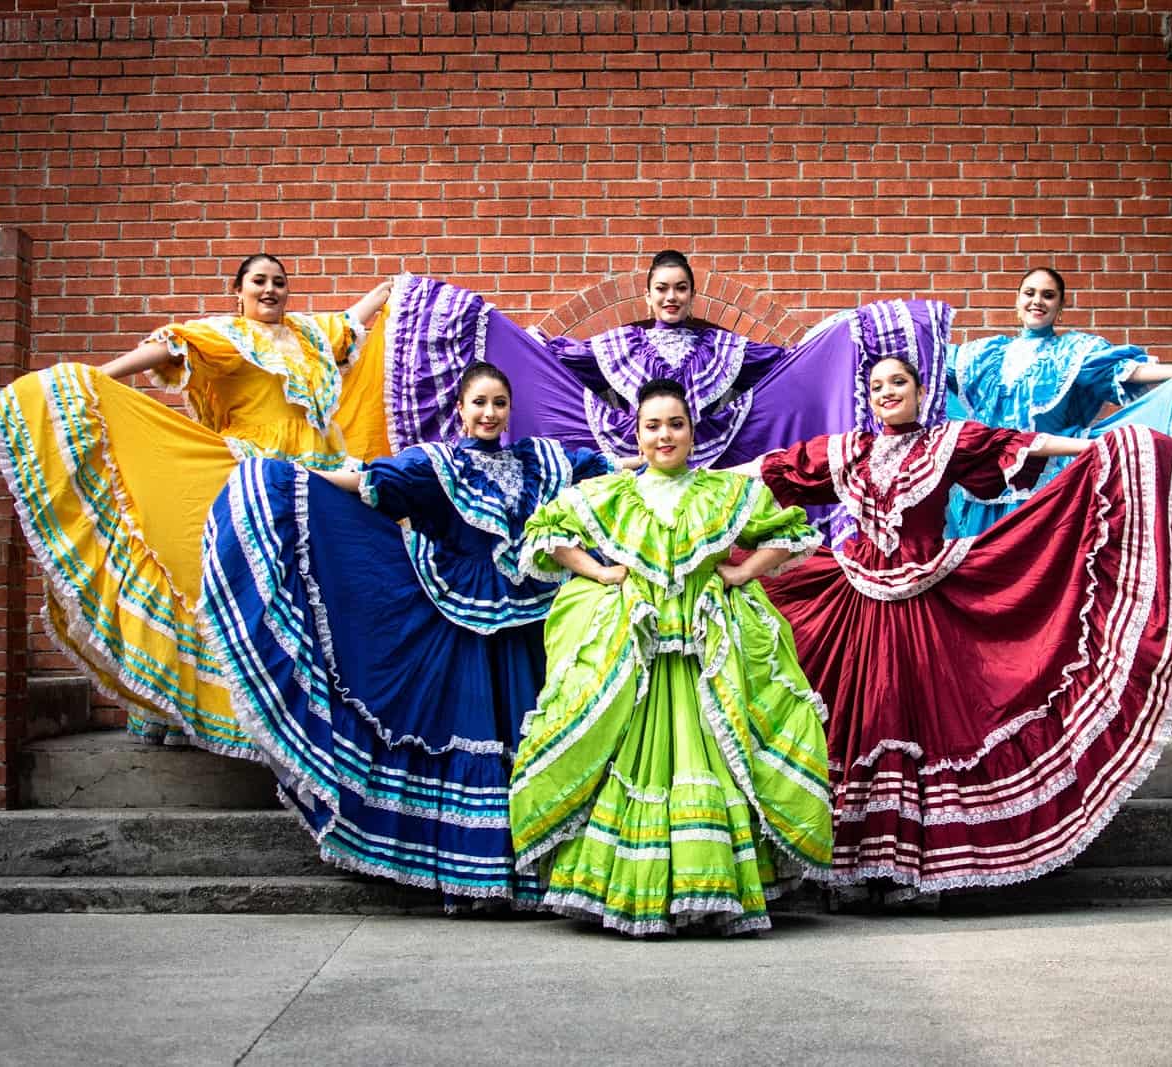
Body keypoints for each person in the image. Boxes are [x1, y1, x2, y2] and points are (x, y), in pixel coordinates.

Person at [753, 346, 1172, 900]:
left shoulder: (948, 440)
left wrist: (1097, 448)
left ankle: (915, 872)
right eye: (877, 388)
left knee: (924, 726)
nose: (887, 393)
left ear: (921, 393)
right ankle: (850, 866)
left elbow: (1024, 445)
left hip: (928, 603)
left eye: (898, 383)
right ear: (867, 400)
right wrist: (679, 469)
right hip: (857, 604)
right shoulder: (846, 451)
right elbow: (768, 469)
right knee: (858, 722)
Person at [201, 363, 619, 906]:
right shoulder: (436, 464)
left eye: (498, 403)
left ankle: (541, 863)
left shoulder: (542, 460)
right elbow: (372, 483)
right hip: (457, 616)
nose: (489, 414)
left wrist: (663, 459)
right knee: (468, 725)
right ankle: (478, 877)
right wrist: (297, 480)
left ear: (509, 409)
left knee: (532, 726)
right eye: (479, 404)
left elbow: (608, 473)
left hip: (531, 615)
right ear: (461, 410)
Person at [0, 254, 391, 755]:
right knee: (242, 590)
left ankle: (298, 717)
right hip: (253, 475)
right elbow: (168, 345)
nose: (270, 290)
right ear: (237, 291)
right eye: (259, 282)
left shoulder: (309, 335)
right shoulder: (227, 335)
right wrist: (101, 378)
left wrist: (394, 290)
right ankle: (208, 712)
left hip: (317, 479)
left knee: (309, 594)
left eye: (279, 283)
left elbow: (353, 320)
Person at [508, 378, 833, 935]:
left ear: (692, 431)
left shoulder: (725, 493)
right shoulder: (610, 493)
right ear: (637, 432)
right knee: (621, 749)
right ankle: (632, 889)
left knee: (723, 750)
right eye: (653, 425)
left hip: (710, 654)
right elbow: (543, 532)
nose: (665, 435)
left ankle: (711, 886)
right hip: (636, 656)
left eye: (675, 424)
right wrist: (602, 571)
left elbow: (790, 532)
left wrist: (741, 571)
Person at [354, 251, 956, 544]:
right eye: (662, 288)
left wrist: (833, 338)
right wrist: (520, 340)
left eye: (681, 289)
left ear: (693, 295)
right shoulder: (617, 339)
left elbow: (782, 364)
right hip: (630, 447)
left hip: (711, 451)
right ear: (647, 294)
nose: (671, 297)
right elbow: (567, 358)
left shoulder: (725, 344)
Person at [945, 267, 1172, 658]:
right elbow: (925, 371)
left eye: (1048, 295)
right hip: (986, 490)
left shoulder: (1072, 353)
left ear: (1060, 307)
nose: (1037, 301)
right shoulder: (981, 355)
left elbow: (1130, 372)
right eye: (1029, 293)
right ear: (1017, 301)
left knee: (1048, 593)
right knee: (987, 591)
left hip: (1051, 489)